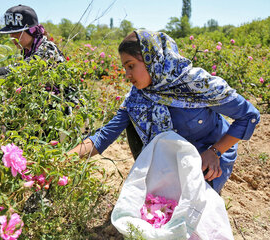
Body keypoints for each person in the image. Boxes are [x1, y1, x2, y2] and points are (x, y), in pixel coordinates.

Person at [68, 30, 260, 194]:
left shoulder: (196, 84)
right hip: (172, 161)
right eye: (125, 68)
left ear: (152, 59)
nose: (127, 75)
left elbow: (249, 116)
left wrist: (215, 152)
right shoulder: (137, 98)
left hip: (208, 155)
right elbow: (105, 134)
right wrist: (64, 160)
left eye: (131, 66)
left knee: (193, 206)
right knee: (133, 126)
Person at [0, 4, 65, 80]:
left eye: (17, 32)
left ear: (31, 31)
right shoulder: (26, 51)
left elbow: (26, 67)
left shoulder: (48, 48)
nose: (12, 37)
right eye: (10, 33)